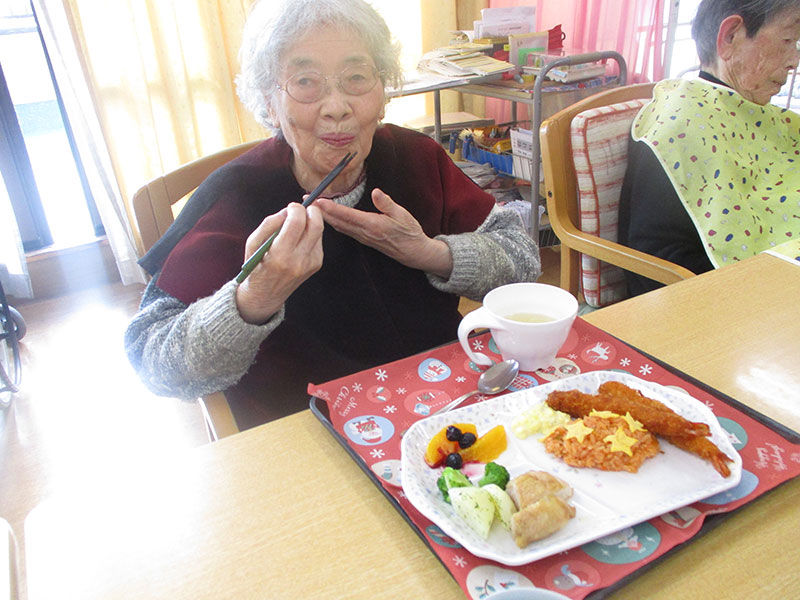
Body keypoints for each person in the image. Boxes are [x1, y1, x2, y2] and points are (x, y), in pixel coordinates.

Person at [124, 0, 541, 430]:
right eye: (306, 82)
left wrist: (432, 253)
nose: (337, 106)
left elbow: (524, 260)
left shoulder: (416, 158)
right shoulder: (237, 195)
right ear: (269, 102)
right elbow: (152, 360)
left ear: (383, 92)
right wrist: (254, 298)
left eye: (356, 78)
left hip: (450, 400)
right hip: (307, 427)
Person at [618, 0, 800, 296]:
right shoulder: (678, 123)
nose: (794, 60)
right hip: (710, 303)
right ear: (731, 37)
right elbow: (655, 260)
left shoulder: (755, 113)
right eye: (788, 40)